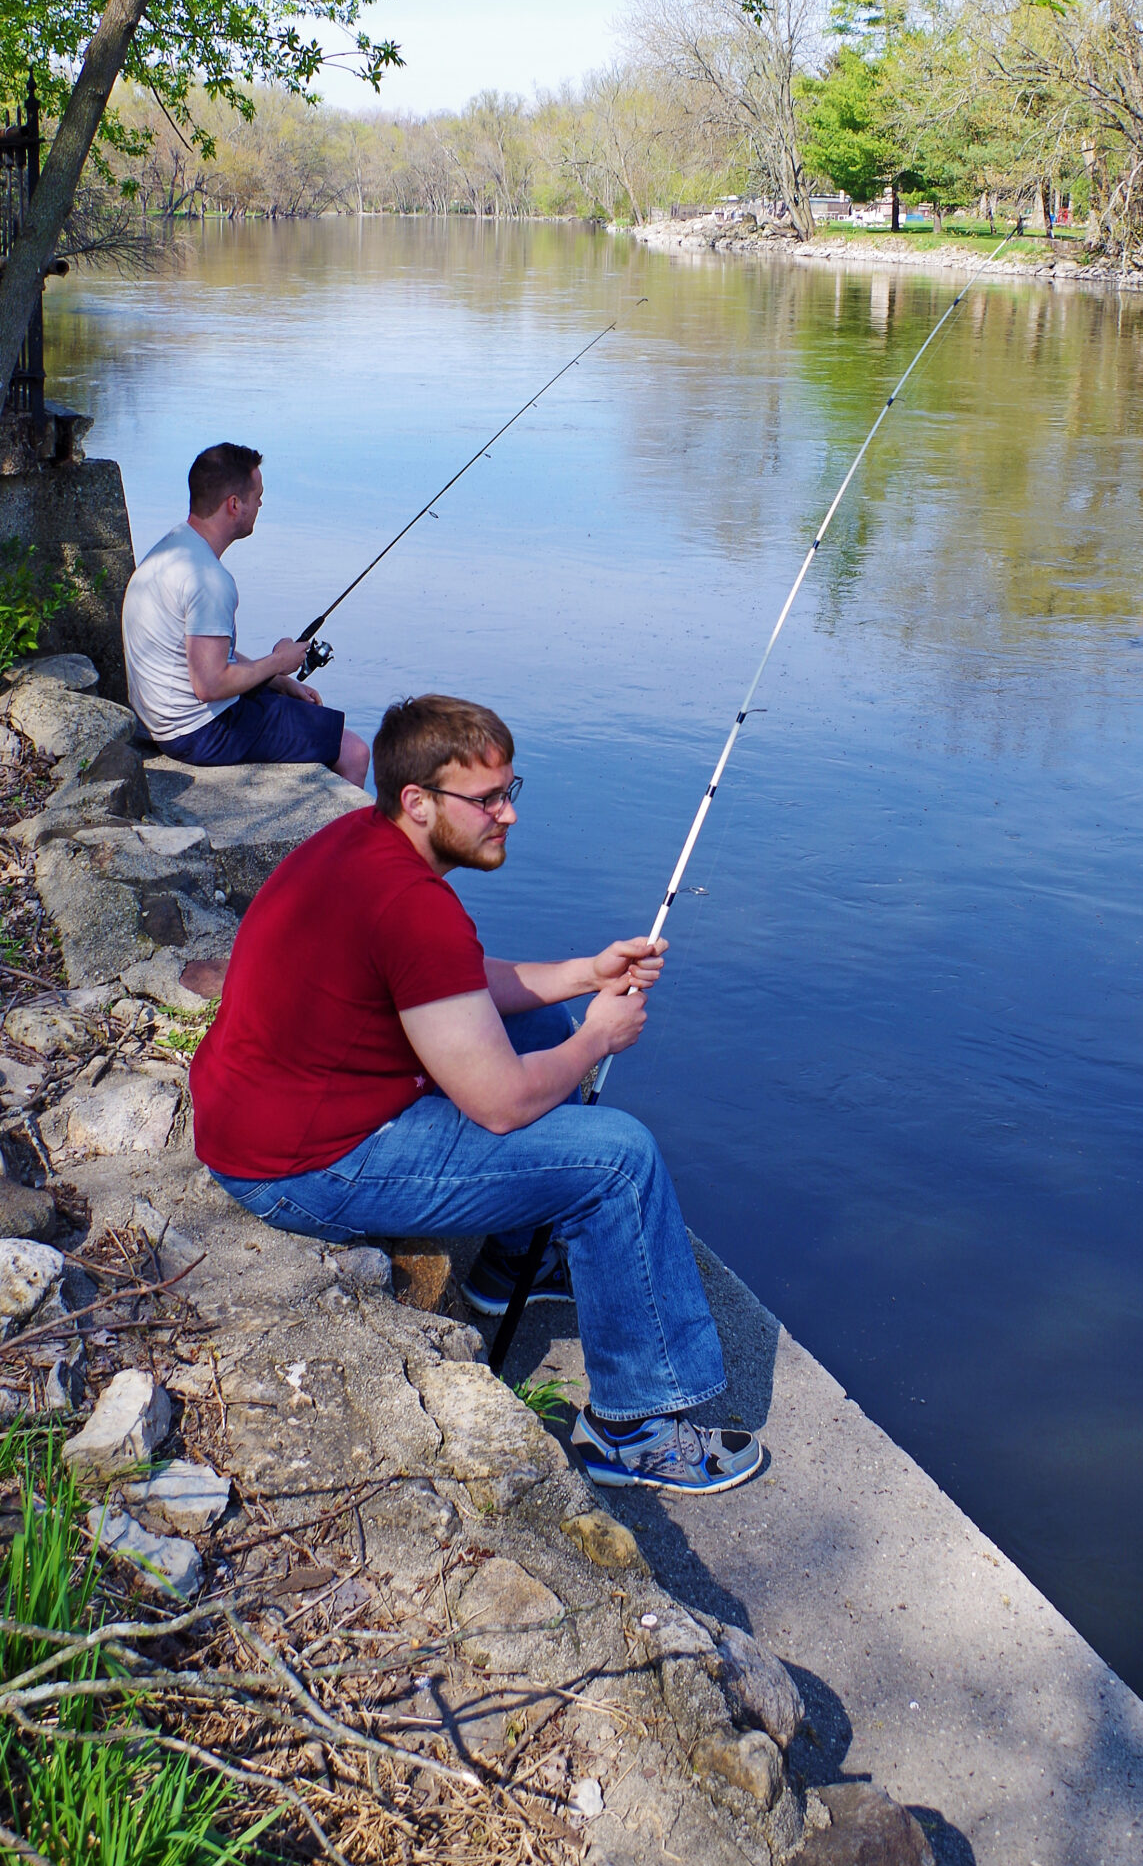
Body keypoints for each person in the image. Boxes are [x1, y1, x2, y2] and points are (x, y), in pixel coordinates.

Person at [190, 693, 764, 1496]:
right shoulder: (412, 904)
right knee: (620, 1162)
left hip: (264, 1120)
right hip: (305, 1167)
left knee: (542, 1024)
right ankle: (636, 1429)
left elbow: (451, 988)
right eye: (487, 800)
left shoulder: (362, 840)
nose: (508, 816)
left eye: (509, 792)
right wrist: (598, 1038)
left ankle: (505, 1270)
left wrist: (584, 975)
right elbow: (498, 1104)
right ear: (419, 801)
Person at [121, 441, 370, 782]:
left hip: (161, 719)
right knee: (354, 750)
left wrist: (278, 680)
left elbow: (200, 650)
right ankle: (339, 836)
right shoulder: (208, 579)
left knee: (305, 709)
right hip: (199, 732)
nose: (261, 504)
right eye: (257, 497)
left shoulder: (170, 550)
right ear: (235, 504)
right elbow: (209, 684)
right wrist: (278, 662)